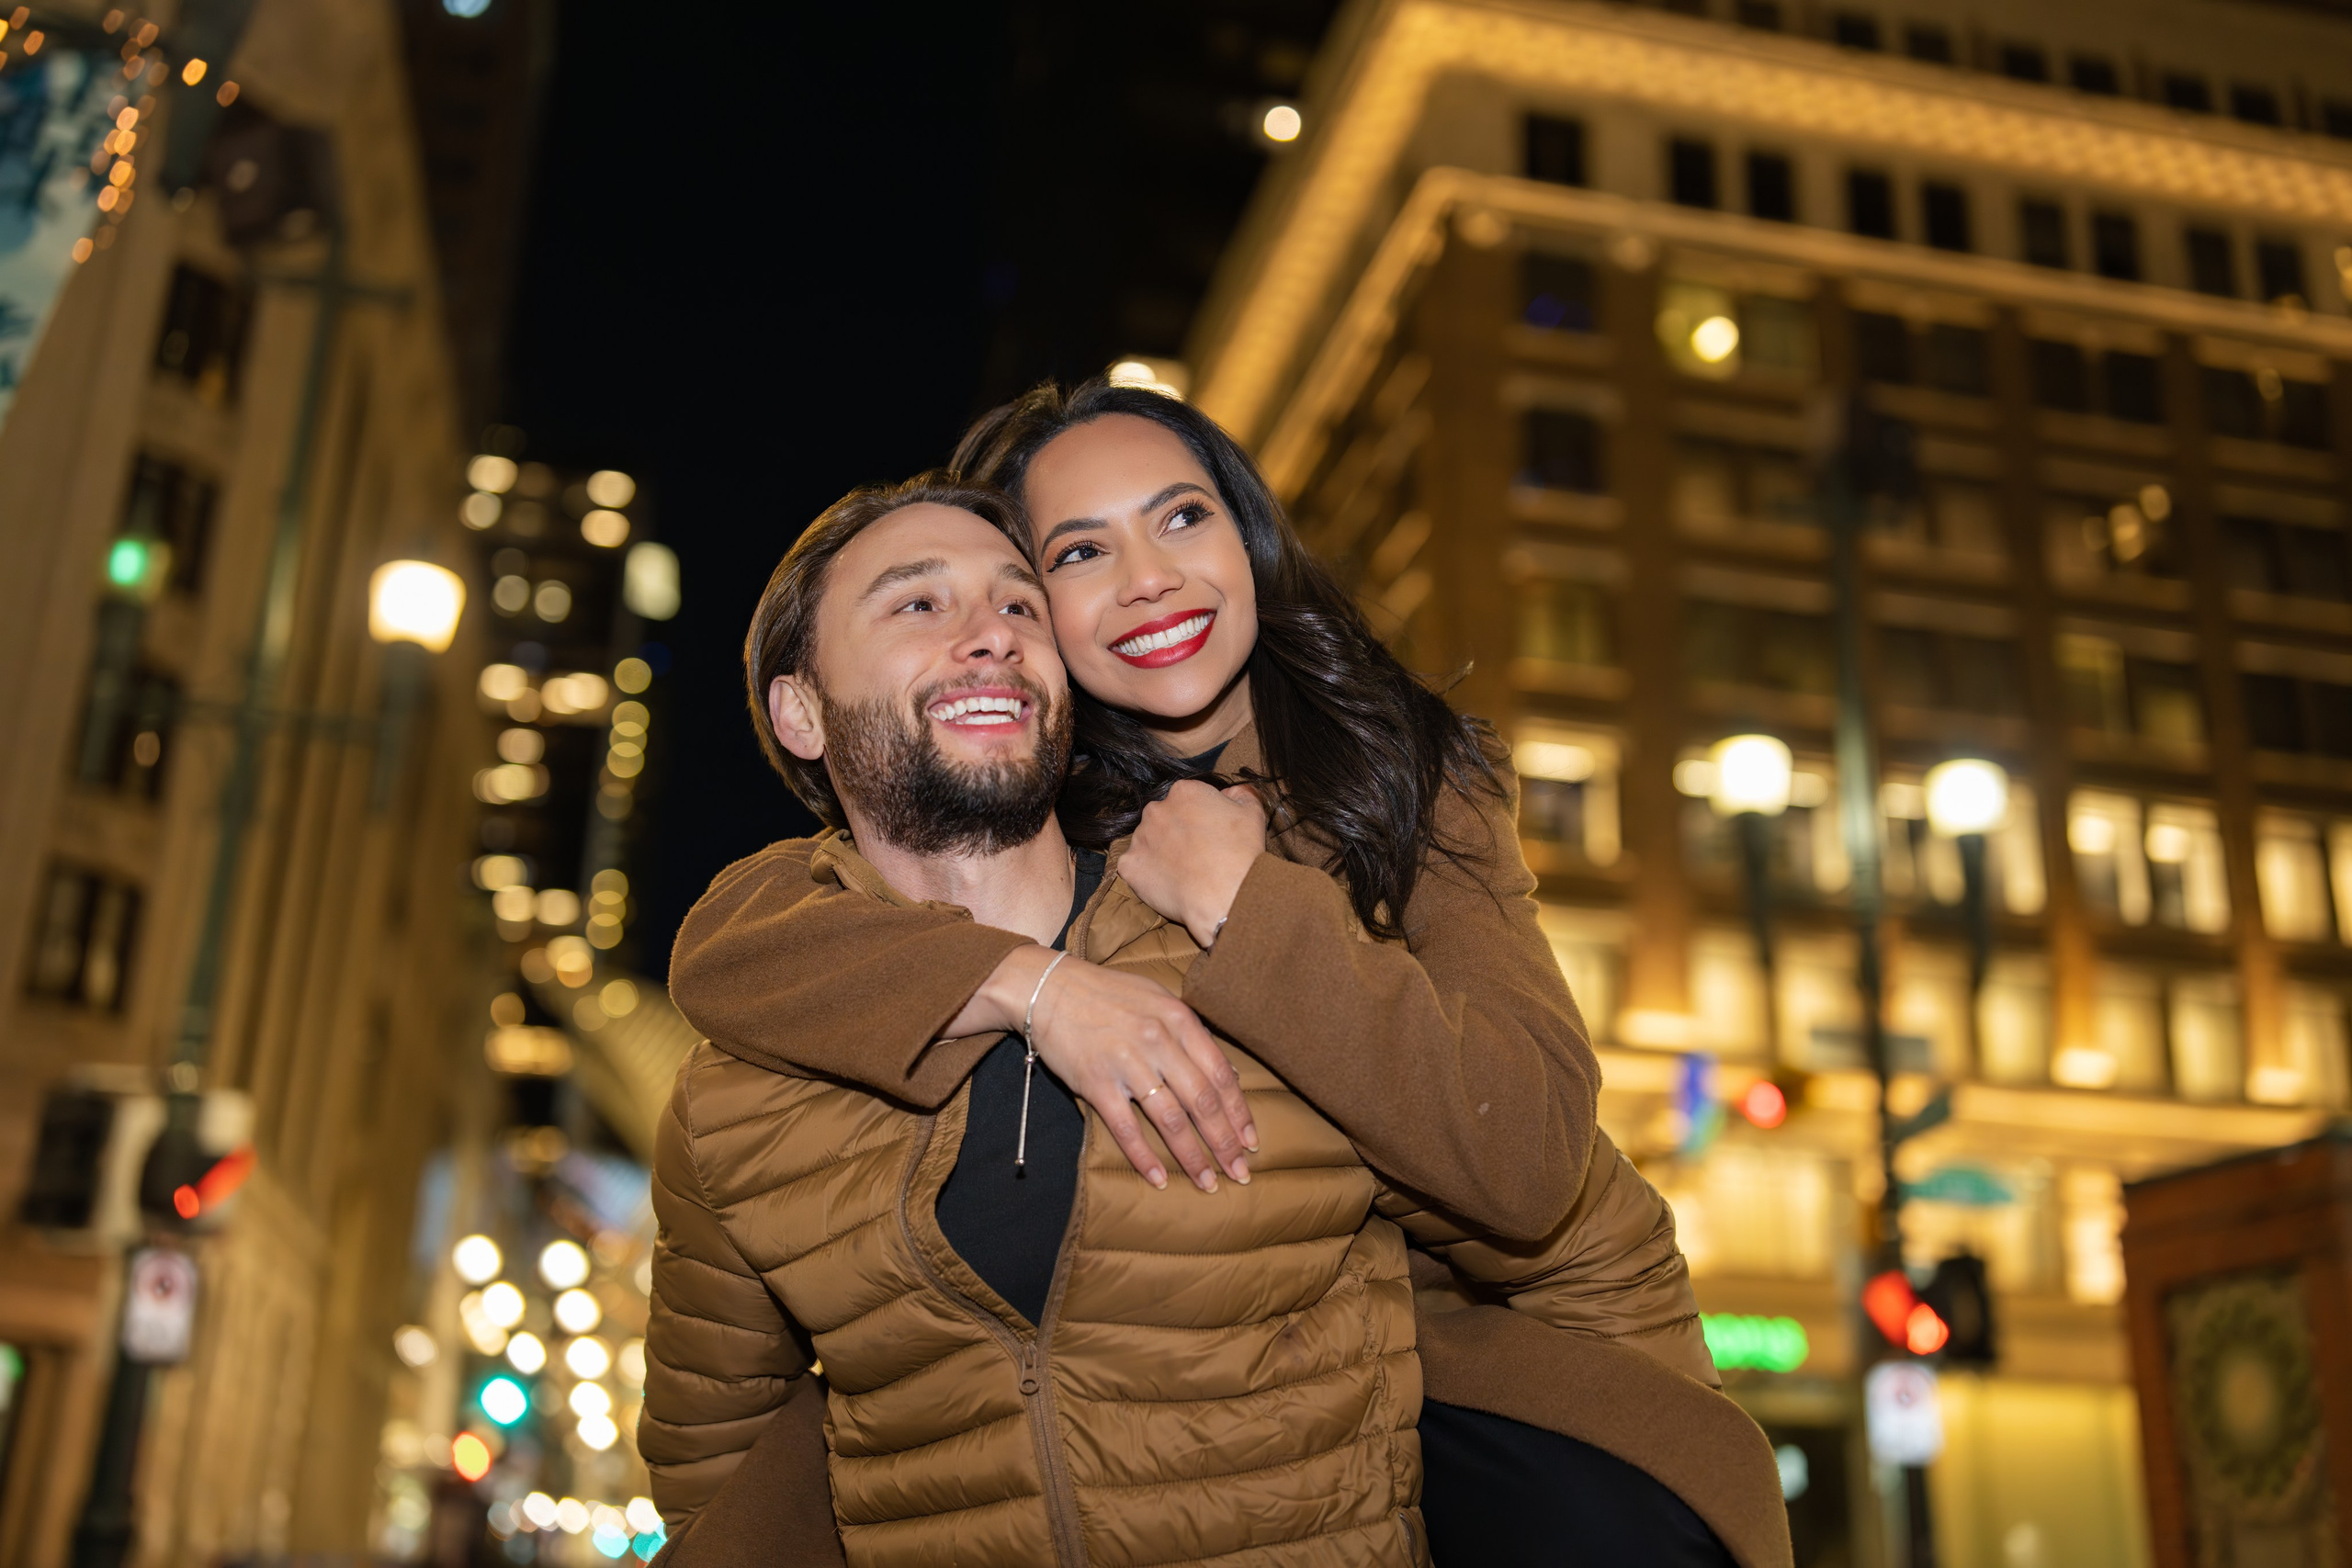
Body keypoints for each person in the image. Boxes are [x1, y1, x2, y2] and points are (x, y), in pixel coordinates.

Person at [640, 479, 1772, 1566]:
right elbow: (716, 1460)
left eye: (1019, 603)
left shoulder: (1256, 956)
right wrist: (1029, 986)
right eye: (919, 602)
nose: (990, 632)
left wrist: (1654, 1516)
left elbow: (1586, 1247)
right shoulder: (737, 1094)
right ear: (800, 710)